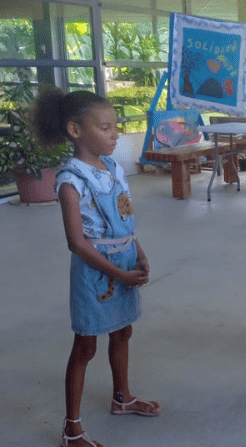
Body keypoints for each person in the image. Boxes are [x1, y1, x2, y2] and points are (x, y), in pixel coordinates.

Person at [32, 88, 161, 447]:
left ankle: (123, 398)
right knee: (85, 346)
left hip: (124, 261)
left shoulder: (114, 168)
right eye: (105, 128)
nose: (114, 134)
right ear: (76, 130)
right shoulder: (70, 181)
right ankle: (71, 429)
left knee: (122, 332)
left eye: (115, 127)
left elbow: (124, 216)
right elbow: (77, 242)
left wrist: (138, 251)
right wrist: (118, 274)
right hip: (96, 272)